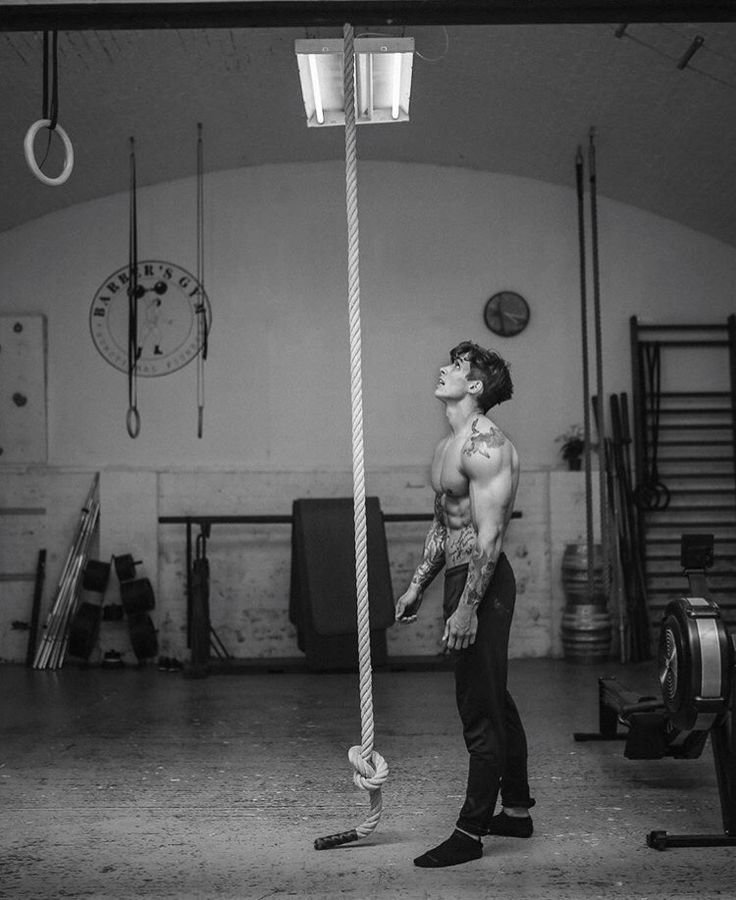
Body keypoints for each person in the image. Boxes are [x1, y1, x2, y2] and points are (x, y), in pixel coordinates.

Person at [395, 340, 534, 868]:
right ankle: (516, 812)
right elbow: (443, 525)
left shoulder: (486, 446)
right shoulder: (448, 446)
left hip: (485, 582)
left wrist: (467, 607)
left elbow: (489, 538)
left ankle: (470, 833)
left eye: (455, 367)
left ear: (474, 387)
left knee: (478, 708)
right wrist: (417, 585)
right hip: (460, 576)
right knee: (494, 695)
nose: (443, 368)